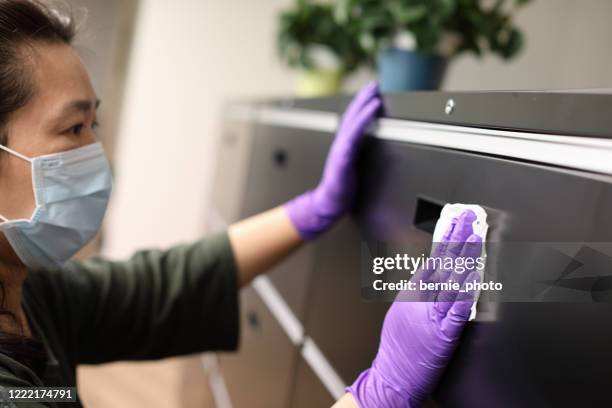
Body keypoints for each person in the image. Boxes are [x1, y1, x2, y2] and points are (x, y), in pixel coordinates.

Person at [0, 1, 479, 407]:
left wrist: (313, 211)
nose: (95, 154)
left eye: (93, 127)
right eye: (72, 130)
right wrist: (377, 396)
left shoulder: (30, 292)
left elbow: (156, 288)